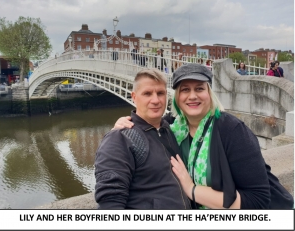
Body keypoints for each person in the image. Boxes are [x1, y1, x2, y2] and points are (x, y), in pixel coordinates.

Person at [114, 63, 273, 209]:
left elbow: (258, 200)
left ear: (209, 93)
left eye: (199, 89)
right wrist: (122, 125)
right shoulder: (171, 126)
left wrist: (192, 190)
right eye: (185, 90)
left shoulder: (231, 130)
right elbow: (145, 123)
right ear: (176, 97)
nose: (192, 96)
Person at [94, 68, 191, 209]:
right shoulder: (119, 139)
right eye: (147, 93)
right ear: (134, 97)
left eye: (160, 93)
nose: (155, 100)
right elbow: (110, 202)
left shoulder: (169, 129)